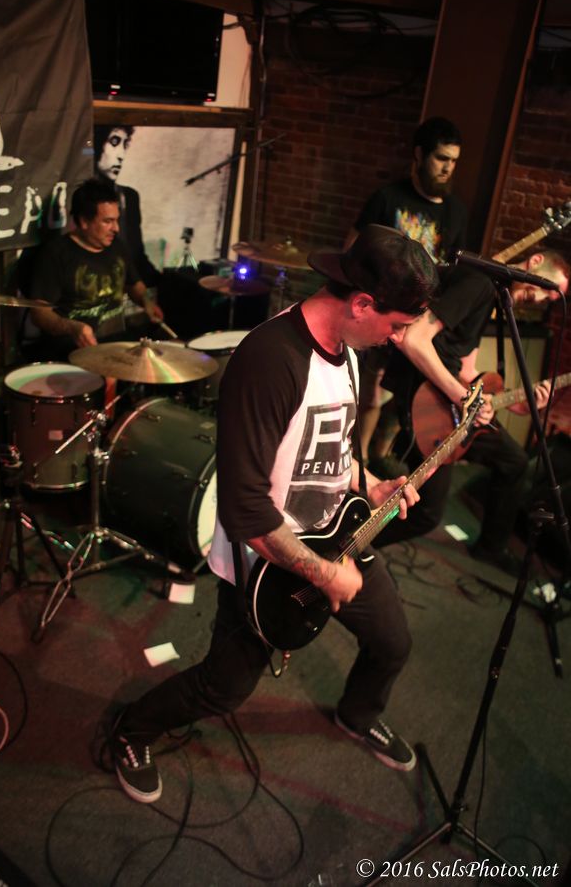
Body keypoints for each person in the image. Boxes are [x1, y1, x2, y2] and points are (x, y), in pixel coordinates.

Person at [110, 225, 439, 804]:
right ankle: (130, 730)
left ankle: (358, 714)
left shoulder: (349, 353)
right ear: (362, 303)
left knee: (392, 642)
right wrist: (324, 574)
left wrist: (371, 484)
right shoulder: (271, 359)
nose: (396, 340)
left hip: (337, 538)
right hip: (267, 564)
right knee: (223, 689)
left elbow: (332, 452)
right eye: (395, 326)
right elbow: (245, 510)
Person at [371, 250, 570, 573]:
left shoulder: (492, 295)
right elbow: (414, 339)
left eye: (551, 297)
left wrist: (519, 404)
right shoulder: (478, 282)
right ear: (535, 262)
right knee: (425, 513)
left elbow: (467, 369)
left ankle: (490, 548)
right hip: (426, 402)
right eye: (547, 287)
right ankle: (349, 553)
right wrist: (465, 398)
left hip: (448, 402)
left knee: (514, 461)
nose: (544, 298)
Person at [345, 117, 468, 466]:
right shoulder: (387, 199)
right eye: (441, 158)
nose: (448, 168)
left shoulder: (457, 212)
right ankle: (358, 467)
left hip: (421, 323)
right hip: (381, 314)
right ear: (419, 155)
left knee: (402, 403)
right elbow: (352, 250)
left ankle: (379, 461)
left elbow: (454, 273)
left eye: (454, 161)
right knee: (370, 397)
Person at [29, 177, 164, 361]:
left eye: (117, 220)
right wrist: (73, 328)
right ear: (84, 221)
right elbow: (39, 314)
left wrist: (146, 301)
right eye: (108, 221)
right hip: (72, 352)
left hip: (116, 346)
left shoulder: (117, 246)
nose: (116, 228)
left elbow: (134, 284)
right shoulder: (56, 254)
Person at [93, 124, 163, 290]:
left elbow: (136, 255)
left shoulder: (129, 197)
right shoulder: (79, 198)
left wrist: (164, 284)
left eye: (125, 145)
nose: (121, 155)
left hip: (129, 285)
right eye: (114, 142)